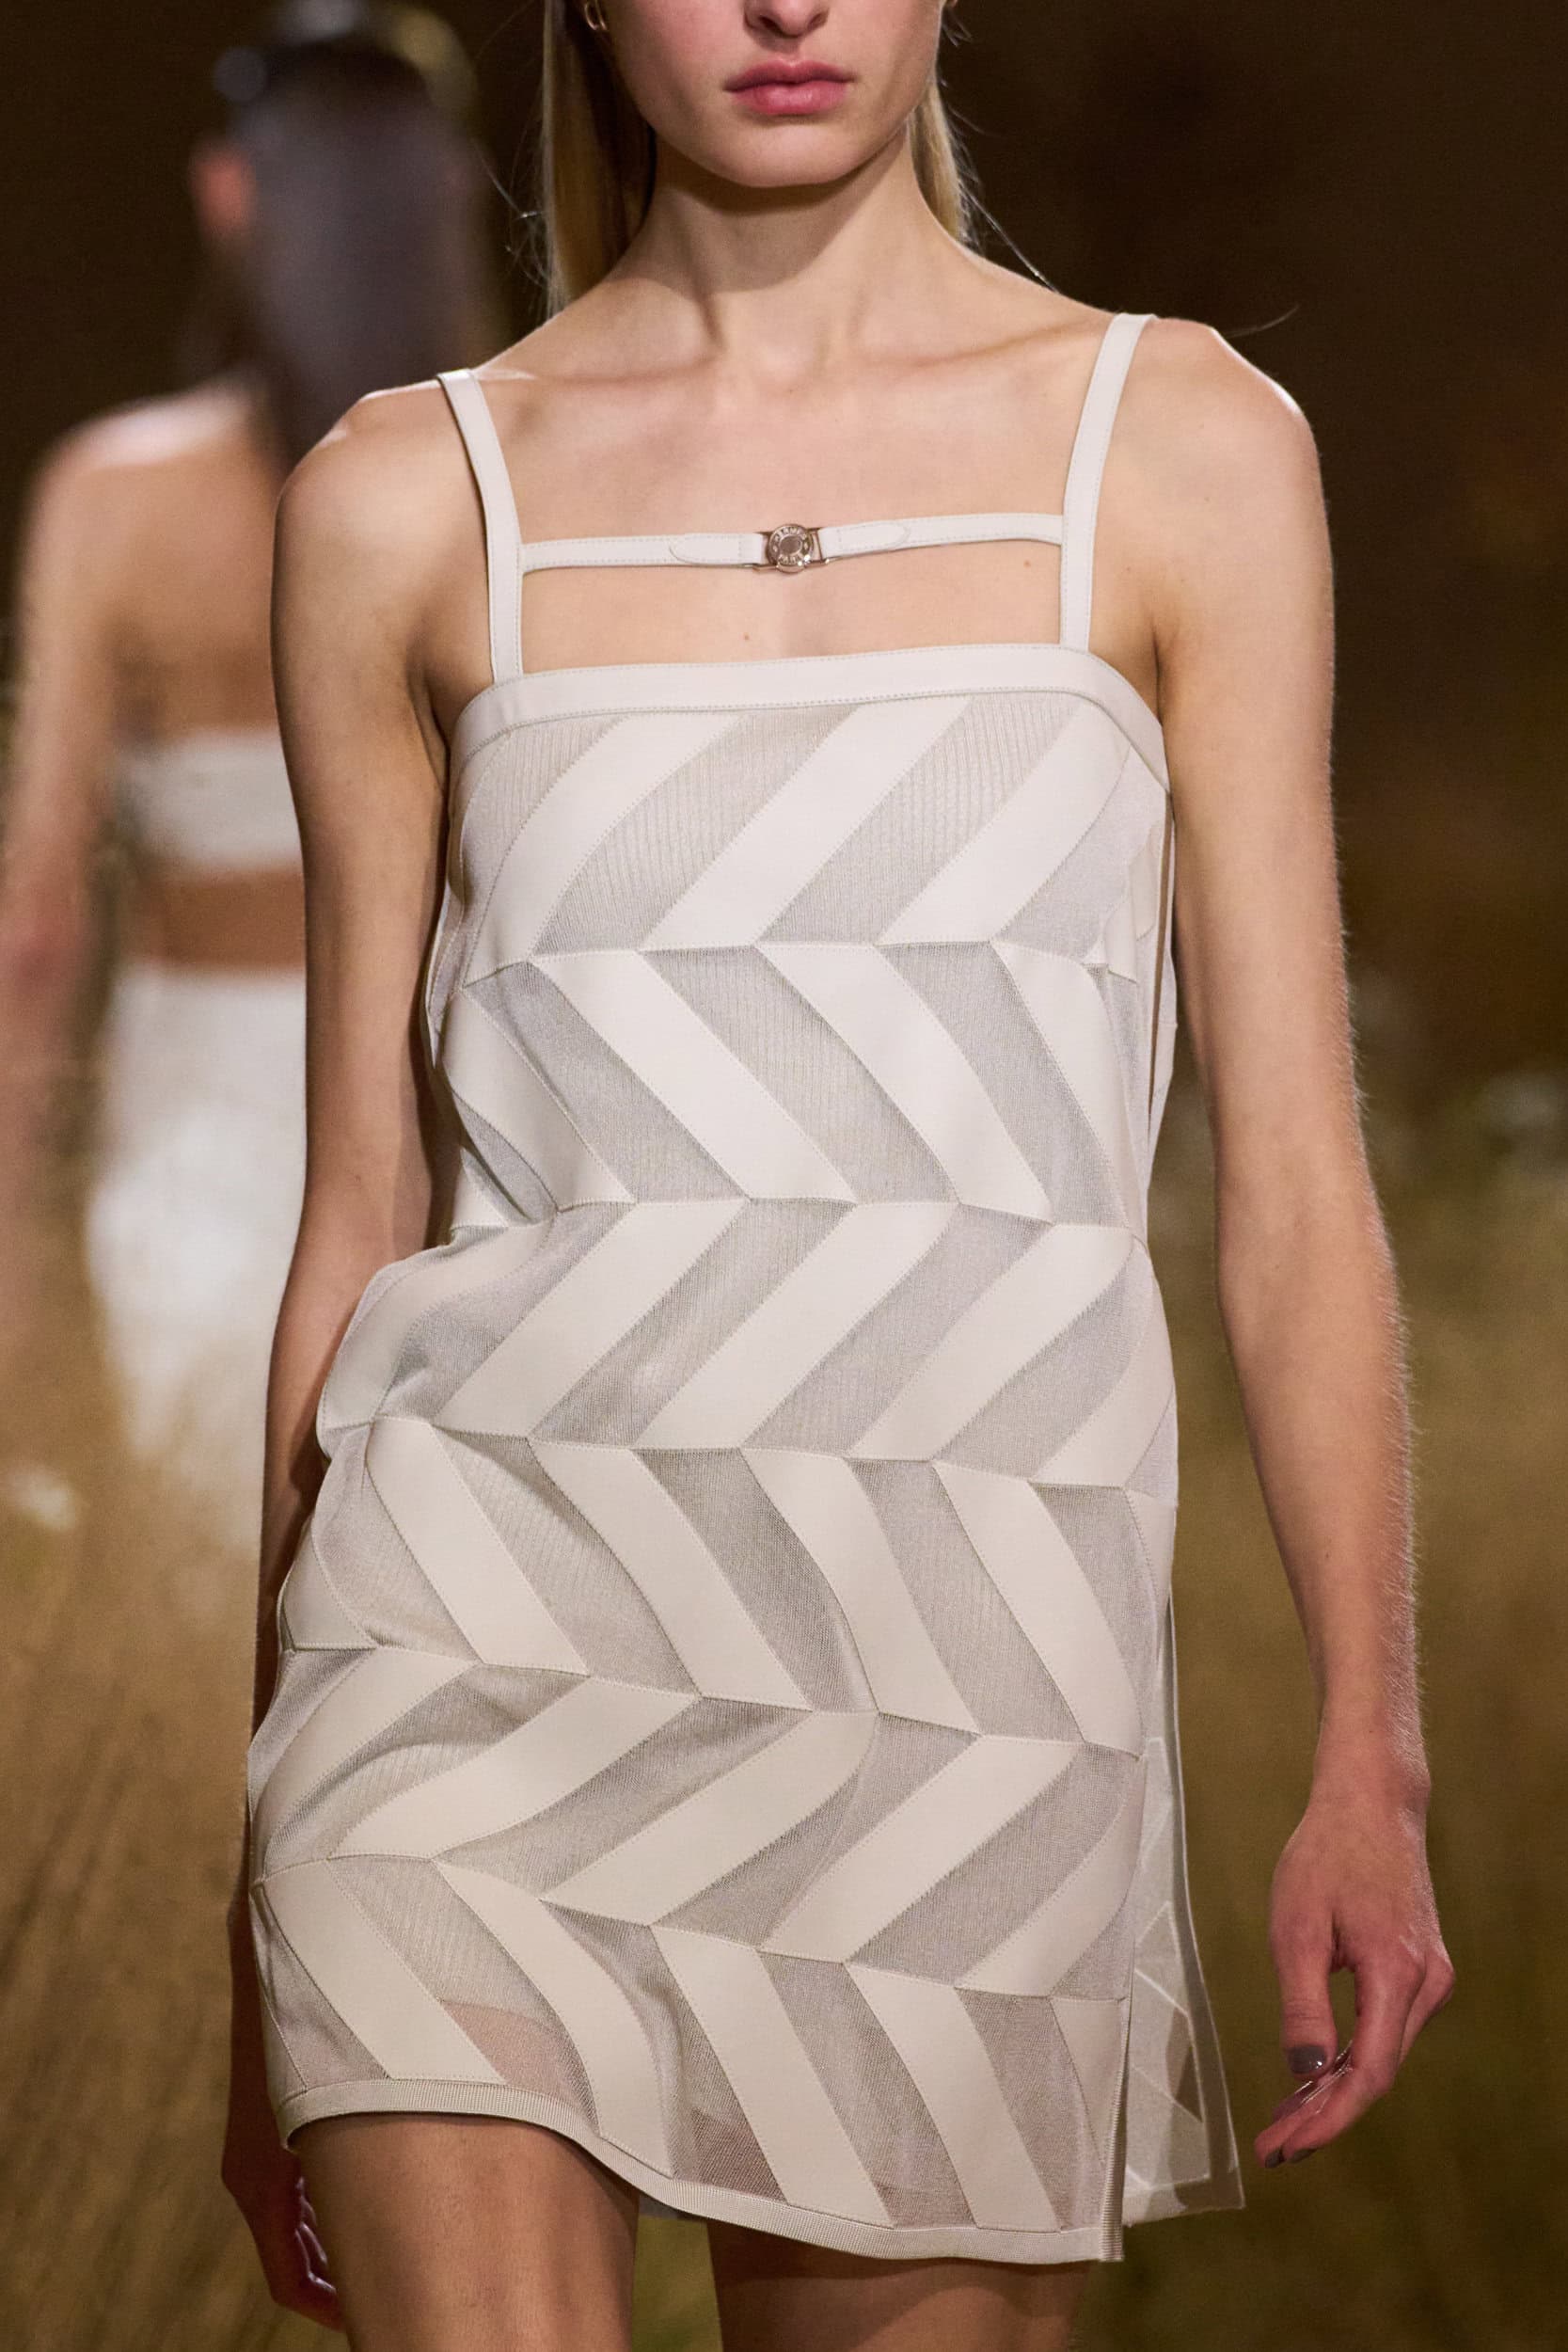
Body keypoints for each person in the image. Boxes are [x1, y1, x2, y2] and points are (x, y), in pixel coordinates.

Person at [226, 2, 1455, 2344]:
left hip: (960, 1695)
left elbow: (1295, 1179)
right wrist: (248, 1893)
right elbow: (355, 1222)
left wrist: (1364, 1752)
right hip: (464, 1654)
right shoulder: (404, 497)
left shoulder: (1177, 446)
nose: (786, 6)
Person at [0, 0, 496, 1557]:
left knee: (206, 1570)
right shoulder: (503, 488)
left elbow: (35, 923)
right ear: (448, 191)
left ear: (229, 191)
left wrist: (12, 1263)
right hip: (458, 1108)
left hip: (197, 1125)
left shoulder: (116, 498)